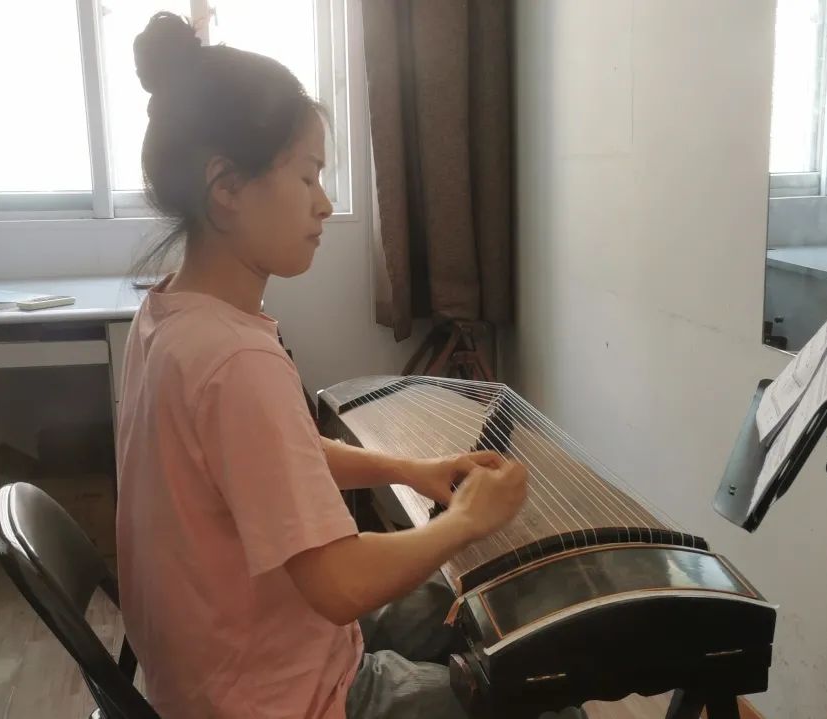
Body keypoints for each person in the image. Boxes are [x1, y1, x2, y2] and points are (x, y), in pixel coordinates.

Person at [115, 12, 531, 719]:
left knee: (460, 609)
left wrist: (411, 470)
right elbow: (338, 585)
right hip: (278, 699)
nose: (325, 203)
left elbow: (275, 457)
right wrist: (465, 520)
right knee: (535, 689)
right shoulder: (237, 360)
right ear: (226, 186)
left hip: (218, 672)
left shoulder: (166, 317)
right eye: (307, 176)